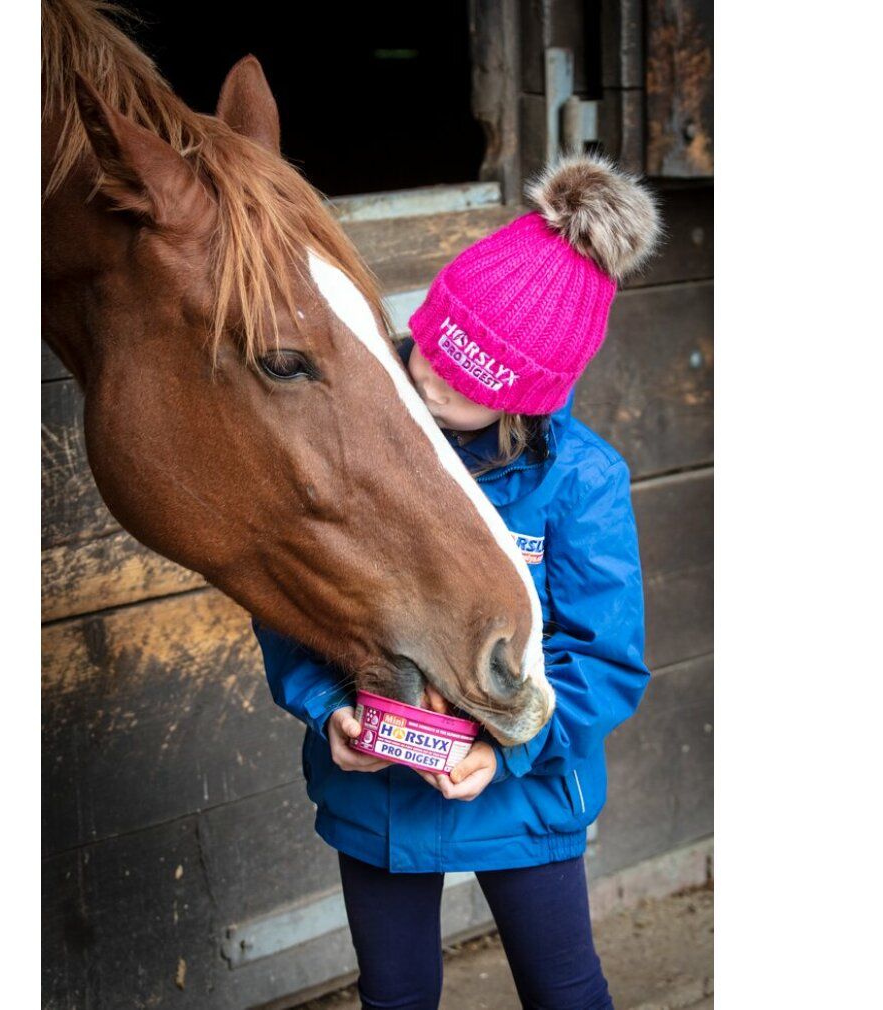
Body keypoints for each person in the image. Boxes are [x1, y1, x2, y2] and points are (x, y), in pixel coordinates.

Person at [253, 152, 661, 1010]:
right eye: (429, 348)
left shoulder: (580, 480)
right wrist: (326, 708)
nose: (429, 379)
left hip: (526, 787)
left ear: (526, 402)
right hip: (380, 788)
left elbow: (607, 659)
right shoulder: (364, 435)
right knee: (394, 994)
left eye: (465, 381)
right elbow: (292, 589)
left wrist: (504, 749)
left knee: (563, 988)